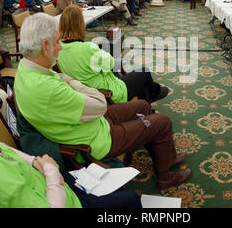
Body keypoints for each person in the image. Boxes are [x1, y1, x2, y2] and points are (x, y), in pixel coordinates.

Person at [14, 13, 192, 190]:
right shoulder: (48, 87)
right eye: (56, 42)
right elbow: (99, 104)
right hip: (95, 140)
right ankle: (165, 178)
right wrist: (72, 82)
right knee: (162, 122)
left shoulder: (25, 70)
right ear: (45, 46)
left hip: (84, 123)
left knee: (143, 106)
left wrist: (67, 80)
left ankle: (165, 156)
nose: (60, 47)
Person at [0, 86, 142, 208]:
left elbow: (8, 150)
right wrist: (50, 170)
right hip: (64, 200)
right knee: (132, 200)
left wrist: (36, 161)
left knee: (116, 186)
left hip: (53, 183)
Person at [58, 6, 167, 104]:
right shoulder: (87, 48)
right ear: (80, 25)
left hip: (84, 91)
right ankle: (154, 94)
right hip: (107, 91)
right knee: (144, 71)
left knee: (139, 82)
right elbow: (112, 65)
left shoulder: (57, 48)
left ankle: (145, 108)